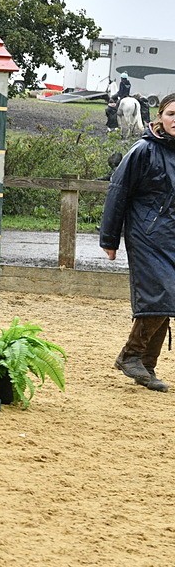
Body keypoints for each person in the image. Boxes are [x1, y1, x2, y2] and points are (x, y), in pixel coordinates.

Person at [100, 93, 175, 392]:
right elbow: (118, 192)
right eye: (172, 114)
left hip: (170, 237)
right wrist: (109, 238)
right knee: (164, 291)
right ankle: (130, 355)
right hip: (146, 235)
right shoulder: (143, 150)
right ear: (160, 117)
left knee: (169, 297)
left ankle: (147, 365)